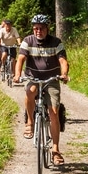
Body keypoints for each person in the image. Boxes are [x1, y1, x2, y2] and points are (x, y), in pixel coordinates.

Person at [13, 14, 70, 165]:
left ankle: (56, 150)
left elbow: (63, 61)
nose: (38, 31)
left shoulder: (56, 42)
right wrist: (17, 74)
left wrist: (64, 74)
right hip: (33, 78)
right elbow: (20, 59)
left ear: (47, 29)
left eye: (41, 29)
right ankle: (30, 123)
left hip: (51, 80)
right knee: (29, 92)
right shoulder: (27, 41)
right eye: (35, 28)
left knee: (54, 112)